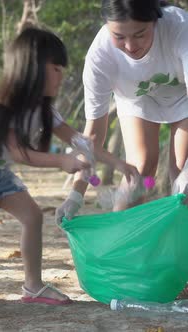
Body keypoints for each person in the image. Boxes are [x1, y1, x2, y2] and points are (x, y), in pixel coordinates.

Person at [0, 27, 139, 310]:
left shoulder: (45, 110)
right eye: (56, 68)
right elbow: (18, 152)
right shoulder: (3, 105)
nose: (62, 75)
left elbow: (81, 141)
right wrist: (62, 161)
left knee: (33, 216)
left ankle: (33, 285)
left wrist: (118, 163)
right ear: (32, 68)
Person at [58, 0, 188, 222]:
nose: (130, 46)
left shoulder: (179, 26)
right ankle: (121, 244)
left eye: (139, 34)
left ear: (155, 21)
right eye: (119, 37)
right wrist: (76, 195)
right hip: (137, 98)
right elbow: (93, 138)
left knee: (180, 177)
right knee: (139, 170)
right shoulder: (99, 57)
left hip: (183, 95)